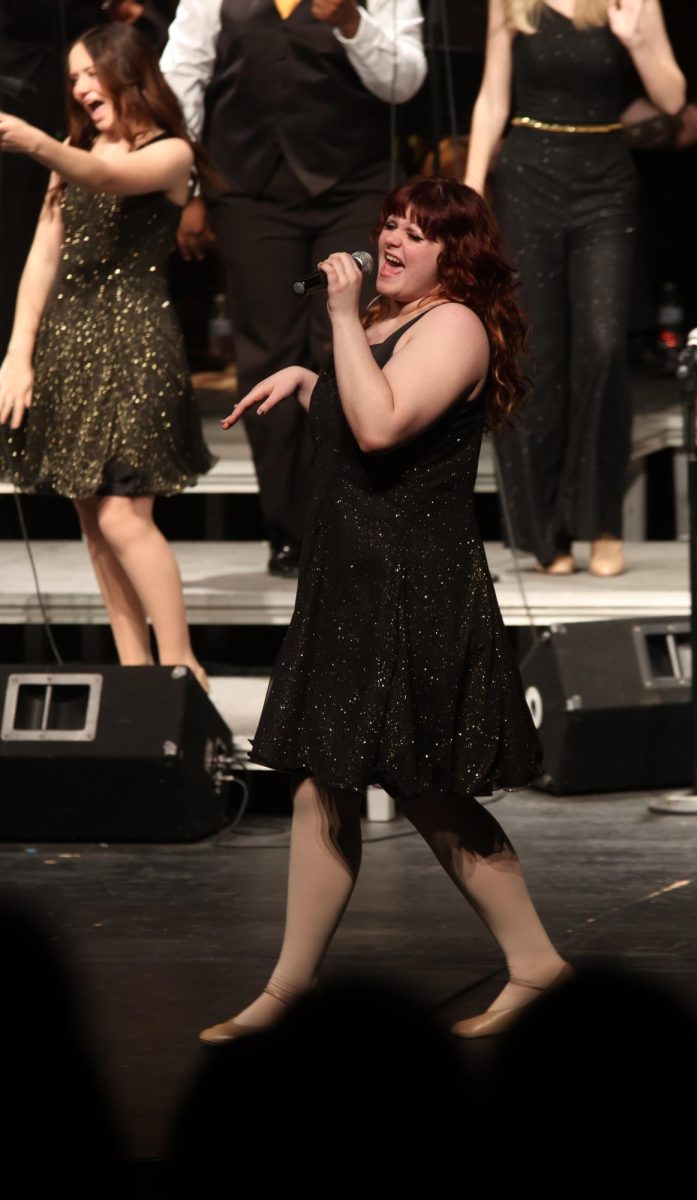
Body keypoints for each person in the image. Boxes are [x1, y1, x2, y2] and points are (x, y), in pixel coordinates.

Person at [198, 177, 572, 1046]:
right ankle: (289, 990)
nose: (392, 240)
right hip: (352, 582)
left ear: (457, 255)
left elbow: (382, 424)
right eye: (391, 224)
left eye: (418, 232)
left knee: (428, 790)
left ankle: (536, 963)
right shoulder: (381, 324)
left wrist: (333, 325)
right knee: (324, 778)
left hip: (417, 587)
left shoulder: (456, 325)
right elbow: (358, 397)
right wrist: (310, 376)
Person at [160, 0, 427, 577]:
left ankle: (361, 522)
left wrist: (352, 23)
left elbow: (406, 81)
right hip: (249, 191)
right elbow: (182, 79)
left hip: (351, 184)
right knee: (269, 353)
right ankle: (290, 531)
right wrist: (189, 187)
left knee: (349, 346)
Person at [0, 23, 215, 688]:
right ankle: (135, 677)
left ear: (126, 71)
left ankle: (182, 669)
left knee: (125, 513)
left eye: (89, 72)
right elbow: (44, 252)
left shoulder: (171, 152)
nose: (80, 87)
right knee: (92, 518)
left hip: (135, 345)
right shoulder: (74, 147)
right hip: (69, 344)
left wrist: (28, 139)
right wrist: (18, 353)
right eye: (71, 79)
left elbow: (109, 175)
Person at [465, 0, 685, 576]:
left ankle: (601, 520)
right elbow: (493, 94)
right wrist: (471, 186)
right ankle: (546, 530)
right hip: (528, 175)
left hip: (605, 180)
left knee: (606, 344)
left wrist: (635, 41)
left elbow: (673, 98)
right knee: (536, 352)